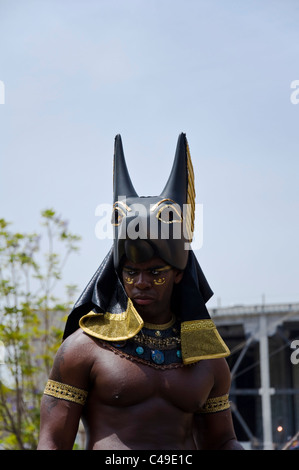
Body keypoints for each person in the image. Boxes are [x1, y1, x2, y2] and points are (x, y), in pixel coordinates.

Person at [37, 134, 243, 450]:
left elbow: (222, 441)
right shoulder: (83, 350)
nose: (141, 283)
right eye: (131, 272)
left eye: (155, 272)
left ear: (178, 274)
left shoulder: (208, 358)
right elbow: (52, 443)